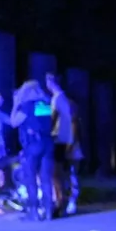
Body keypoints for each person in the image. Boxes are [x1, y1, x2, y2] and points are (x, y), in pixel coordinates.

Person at [10, 80, 54, 221]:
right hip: (48, 144)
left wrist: (16, 104)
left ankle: (34, 212)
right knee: (46, 179)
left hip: (32, 145)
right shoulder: (45, 104)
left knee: (31, 179)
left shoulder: (26, 106)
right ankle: (48, 212)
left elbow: (13, 122)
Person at [46, 72, 75, 217]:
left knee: (56, 173)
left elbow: (53, 119)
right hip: (64, 139)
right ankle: (63, 201)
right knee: (61, 172)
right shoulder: (63, 98)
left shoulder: (57, 98)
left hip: (58, 139)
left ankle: (60, 202)